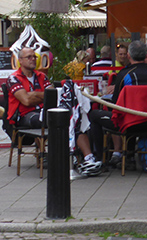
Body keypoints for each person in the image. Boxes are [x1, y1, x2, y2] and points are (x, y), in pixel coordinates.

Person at [6, 47, 102, 176]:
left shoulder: (42, 76)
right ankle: (67, 157)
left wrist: (34, 94)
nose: (33, 59)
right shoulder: (13, 78)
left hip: (45, 111)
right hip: (24, 115)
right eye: (29, 57)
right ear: (20, 61)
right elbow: (27, 101)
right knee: (57, 120)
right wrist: (42, 96)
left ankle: (88, 159)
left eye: (34, 56)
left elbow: (54, 96)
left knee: (73, 118)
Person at [88, 40, 147, 164]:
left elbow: (115, 102)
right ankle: (128, 155)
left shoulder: (125, 75)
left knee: (94, 115)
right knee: (132, 113)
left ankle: (100, 159)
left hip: (129, 123)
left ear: (128, 55)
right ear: (146, 55)